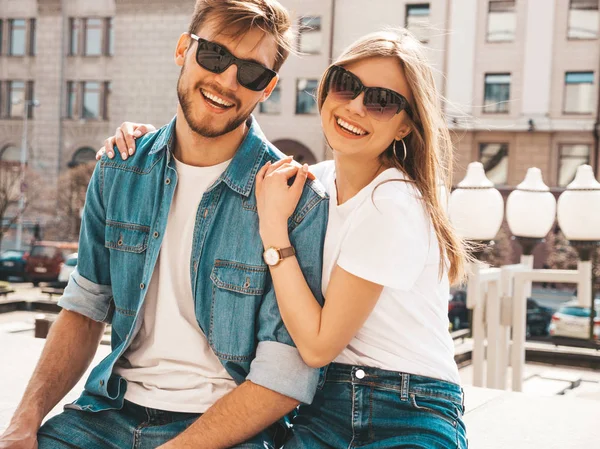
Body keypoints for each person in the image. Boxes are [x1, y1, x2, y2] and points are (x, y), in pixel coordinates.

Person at [111, 28, 471, 448]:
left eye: (381, 102)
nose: (355, 107)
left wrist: (274, 233)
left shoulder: (393, 203)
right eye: (346, 85)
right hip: (324, 405)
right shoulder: (311, 183)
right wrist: (140, 144)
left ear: (405, 125)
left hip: (409, 407)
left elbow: (318, 347)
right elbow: (231, 148)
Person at [0, 1, 328, 448]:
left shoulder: (297, 199)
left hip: (226, 431)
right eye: (215, 56)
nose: (227, 80)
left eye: (251, 73)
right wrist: (23, 422)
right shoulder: (119, 168)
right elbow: (84, 307)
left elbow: (284, 375)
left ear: (267, 88)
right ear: (182, 49)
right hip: (106, 416)